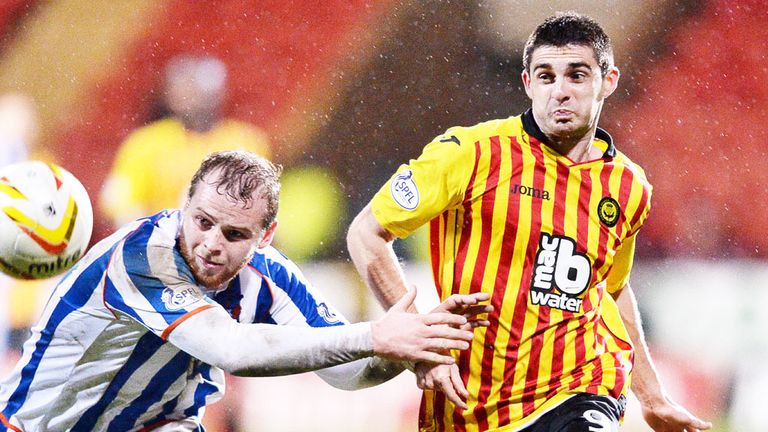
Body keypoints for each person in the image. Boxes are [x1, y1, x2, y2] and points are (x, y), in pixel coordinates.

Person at [347, 12, 712, 432]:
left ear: (608, 81)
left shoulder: (628, 186)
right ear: (527, 84)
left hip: (581, 389)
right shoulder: (471, 153)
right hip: (475, 404)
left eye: (577, 76)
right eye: (546, 76)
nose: (560, 92)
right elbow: (367, 234)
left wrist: (651, 395)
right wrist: (419, 343)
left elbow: (610, 288)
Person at [0, 150, 491, 431]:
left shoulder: (269, 277)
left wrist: (411, 345)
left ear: (265, 236)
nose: (212, 244)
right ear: (183, 206)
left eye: (234, 235)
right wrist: (376, 336)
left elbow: (347, 374)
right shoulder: (141, 258)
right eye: (203, 222)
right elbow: (231, 350)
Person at [100, 54, 271, 228]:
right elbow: (119, 202)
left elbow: (261, 208)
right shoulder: (146, 142)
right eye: (181, 87)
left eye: (193, 87)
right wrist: (152, 234)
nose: (185, 94)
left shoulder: (247, 142)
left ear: (218, 93)